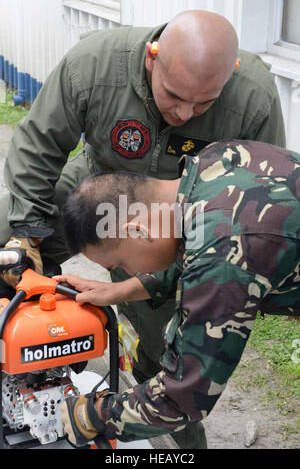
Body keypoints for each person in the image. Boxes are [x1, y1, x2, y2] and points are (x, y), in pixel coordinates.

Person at [0, 10, 286, 448]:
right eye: (174, 94)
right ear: (153, 58)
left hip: (185, 222)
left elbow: (249, 226)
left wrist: (91, 414)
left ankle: (177, 440)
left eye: (205, 103)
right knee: (6, 234)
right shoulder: (93, 65)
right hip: (108, 187)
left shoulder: (254, 102)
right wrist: (27, 235)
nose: (184, 113)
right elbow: (38, 147)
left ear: (229, 78)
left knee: (164, 351)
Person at [55, 139, 300, 445]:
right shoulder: (211, 163)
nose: (128, 271)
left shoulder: (223, 251)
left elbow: (186, 394)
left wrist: (93, 415)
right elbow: (197, 243)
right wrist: (123, 290)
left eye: (119, 263)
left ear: (137, 231)